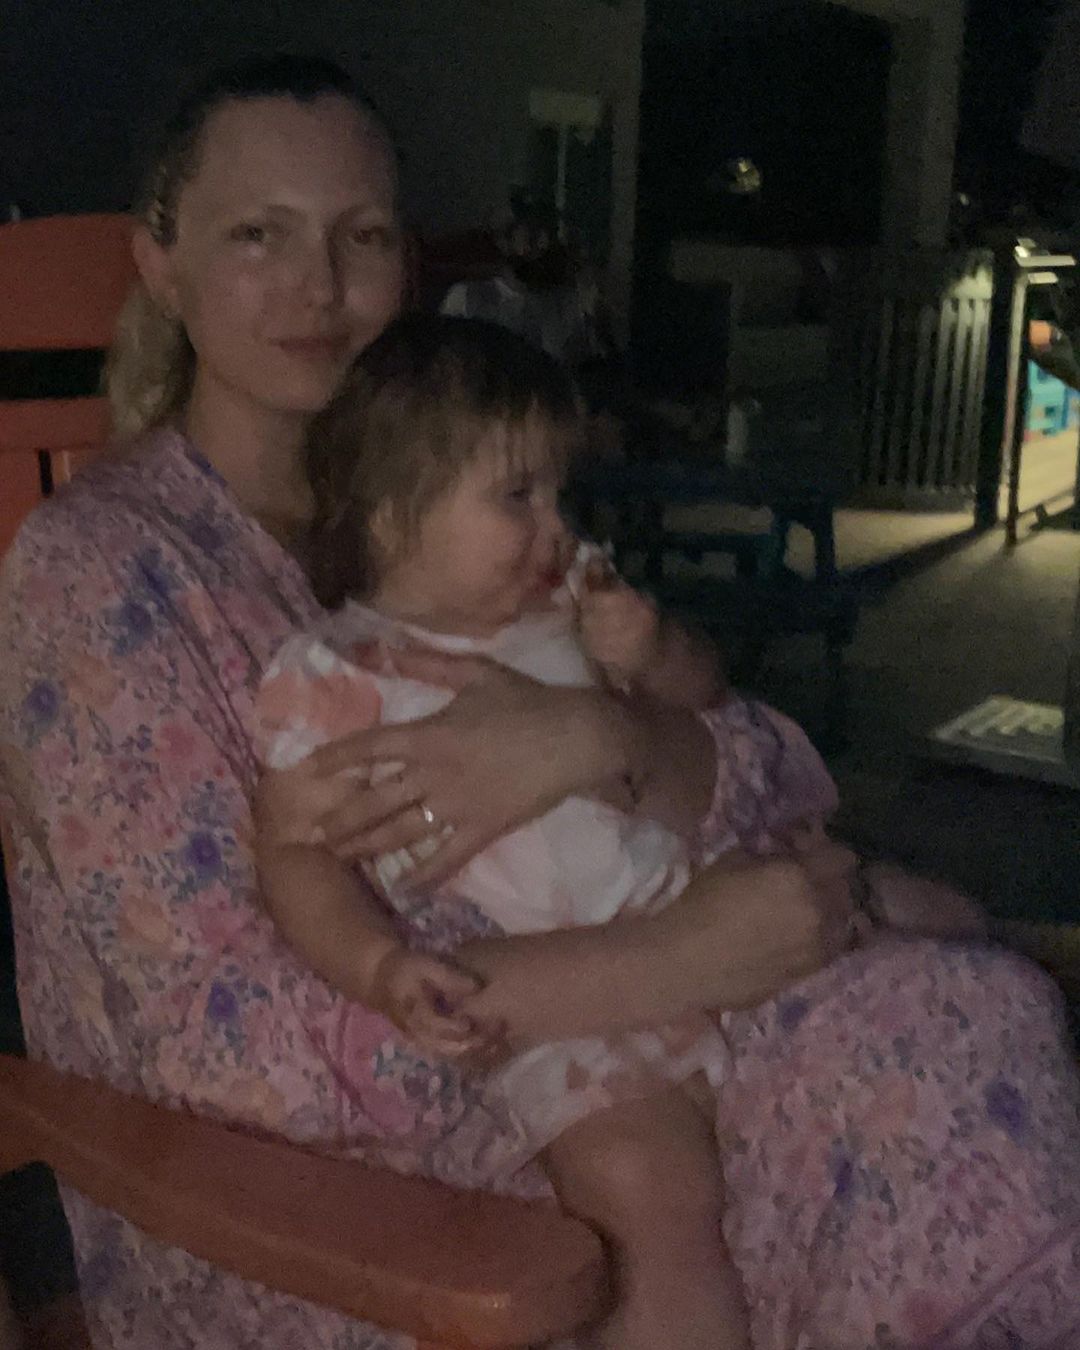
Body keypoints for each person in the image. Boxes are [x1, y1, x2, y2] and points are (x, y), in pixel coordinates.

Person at [0, 51, 1078, 1350]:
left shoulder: (477, 507)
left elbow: (777, 776)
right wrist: (677, 957)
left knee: (967, 1017)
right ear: (161, 265)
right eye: (257, 235)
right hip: (348, 1212)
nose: (319, 283)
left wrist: (597, 736)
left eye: (361, 235)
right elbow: (235, 1059)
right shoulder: (102, 574)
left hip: (649, 1042)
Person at [254, 312, 757, 1350]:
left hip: (704, 903)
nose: (557, 527)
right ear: (394, 517)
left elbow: (708, 703)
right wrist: (377, 965)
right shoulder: (338, 676)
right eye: (517, 496)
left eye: (560, 494)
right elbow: (294, 858)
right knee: (650, 1183)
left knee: (926, 936)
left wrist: (656, 648)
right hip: (566, 995)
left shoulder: (570, 606)